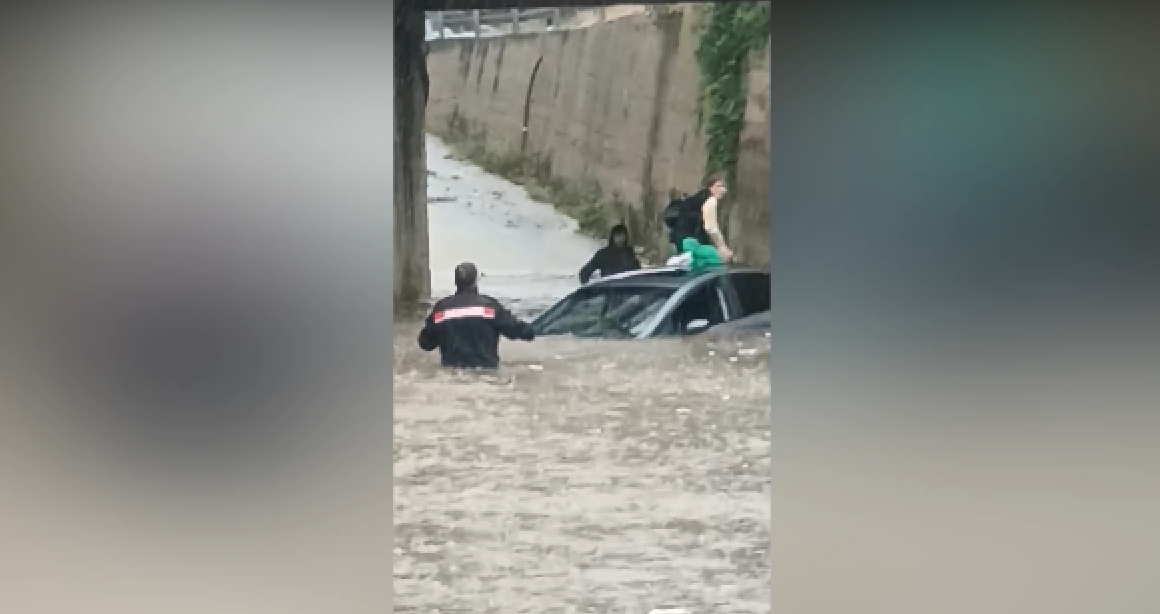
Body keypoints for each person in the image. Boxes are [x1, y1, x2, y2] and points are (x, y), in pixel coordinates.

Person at [418, 262, 535, 369]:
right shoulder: (490, 307)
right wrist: (532, 330)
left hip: (452, 372)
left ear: (455, 282)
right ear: (475, 280)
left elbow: (426, 343)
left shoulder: (441, 309)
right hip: (486, 371)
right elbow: (515, 330)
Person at [667, 172, 735, 262]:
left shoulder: (699, 197)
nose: (723, 190)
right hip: (690, 242)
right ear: (711, 187)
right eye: (719, 186)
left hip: (681, 240)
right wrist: (723, 247)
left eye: (724, 187)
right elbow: (711, 228)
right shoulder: (711, 201)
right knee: (719, 259)